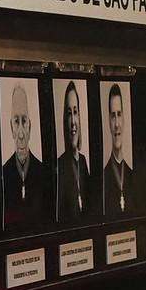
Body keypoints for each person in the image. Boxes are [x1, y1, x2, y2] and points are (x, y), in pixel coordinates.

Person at [2, 82, 44, 228]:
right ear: (11, 128)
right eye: (16, 121)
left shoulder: (42, 171)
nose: (20, 134)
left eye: (24, 121)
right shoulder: (4, 173)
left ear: (30, 127)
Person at [56, 80, 89, 222]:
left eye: (75, 112)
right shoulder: (60, 165)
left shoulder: (83, 162)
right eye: (69, 114)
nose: (73, 122)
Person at [103, 84, 133, 215]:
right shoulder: (103, 178)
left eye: (119, 114)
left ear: (124, 118)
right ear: (108, 121)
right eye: (113, 116)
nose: (116, 124)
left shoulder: (132, 175)